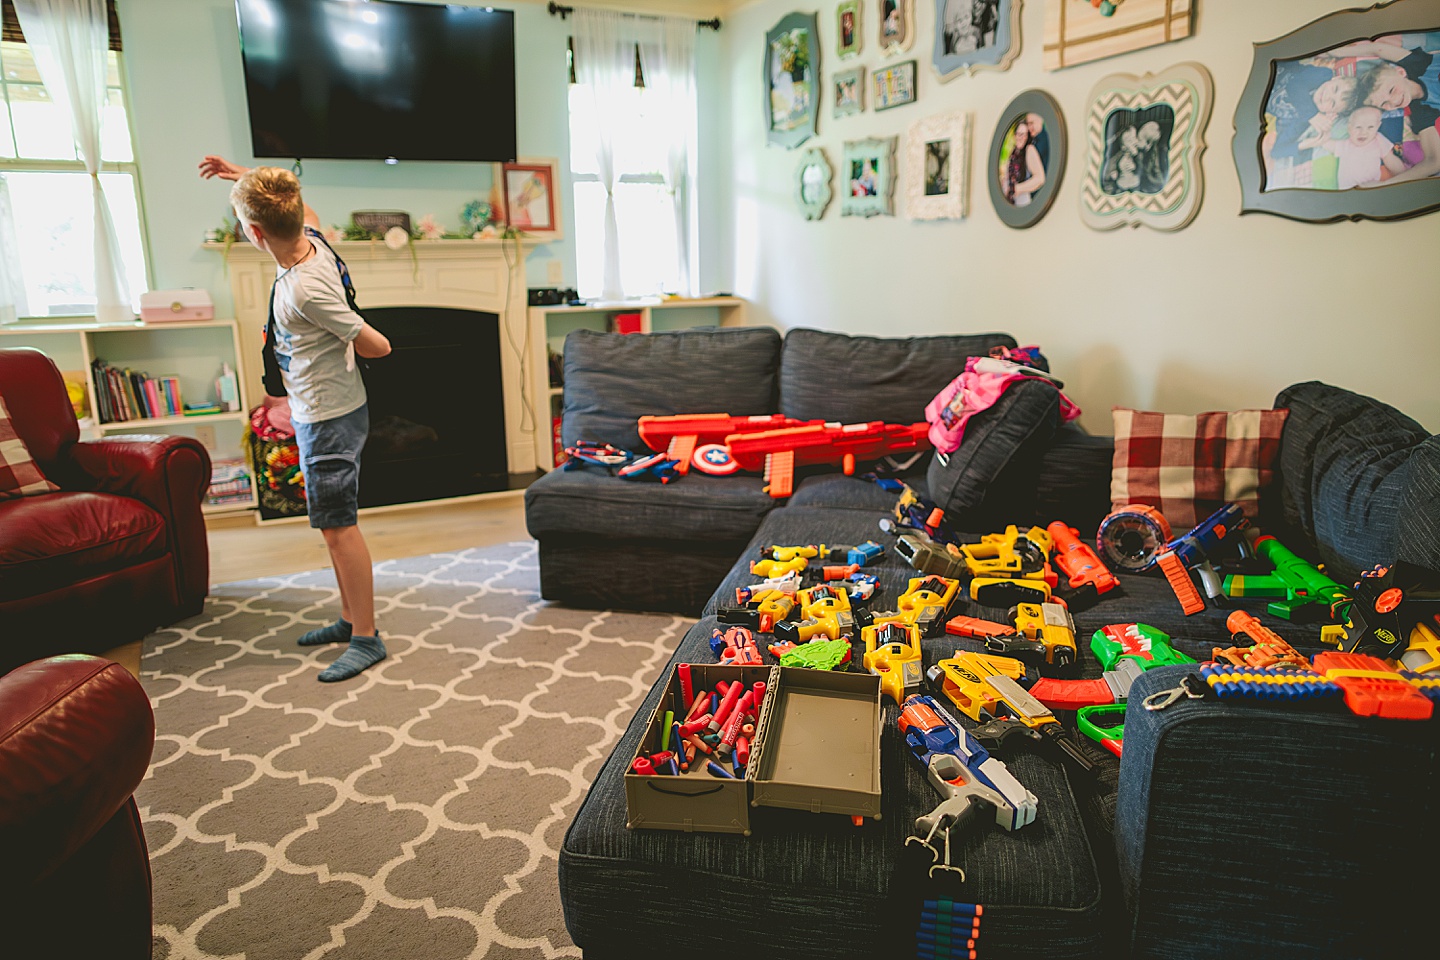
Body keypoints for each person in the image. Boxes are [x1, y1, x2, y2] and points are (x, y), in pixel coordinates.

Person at [200, 155, 393, 682]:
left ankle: (366, 637)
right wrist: (243, 175)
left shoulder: (306, 287)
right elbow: (303, 204)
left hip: (328, 414)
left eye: (244, 224)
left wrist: (349, 328)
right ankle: (350, 616)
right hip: (321, 406)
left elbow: (378, 345)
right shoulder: (310, 239)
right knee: (331, 526)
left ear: (256, 233)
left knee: (338, 528)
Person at [1299, 105, 1406, 189]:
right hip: (1348, 191)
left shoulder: (1378, 141)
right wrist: (1322, 132)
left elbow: (1391, 161)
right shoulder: (1346, 145)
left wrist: (1405, 176)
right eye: (1358, 127)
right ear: (1349, 129)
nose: (1363, 132)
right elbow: (1324, 143)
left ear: (1378, 126)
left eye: (1370, 127)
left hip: (1374, 187)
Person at [1001, 119, 1044, 205]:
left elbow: (1040, 179)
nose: (1022, 138)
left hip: (1023, 202)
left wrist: (1017, 188)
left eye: (1025, 135)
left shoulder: (1029, 149)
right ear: (1015, 135)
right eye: (1020, 134)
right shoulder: (1013, 153)